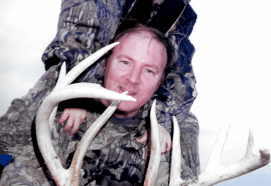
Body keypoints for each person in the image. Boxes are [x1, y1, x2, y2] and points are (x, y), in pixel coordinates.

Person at [0, 0, 200, 165]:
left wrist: (161, 121)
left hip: (129, 89)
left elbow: (181, 72)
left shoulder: (183, 13)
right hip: (84, 77)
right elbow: (81, 33)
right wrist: (78, 95)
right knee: (28, 126)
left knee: (185, 122)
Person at [0, 25, 199, 186]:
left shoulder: (169, 129)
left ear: (160, 82)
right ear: (105, 64)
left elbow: (177, 178)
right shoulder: (63, 111)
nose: (132, 79)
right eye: (125, 62)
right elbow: (21, 168)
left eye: (148, 70)